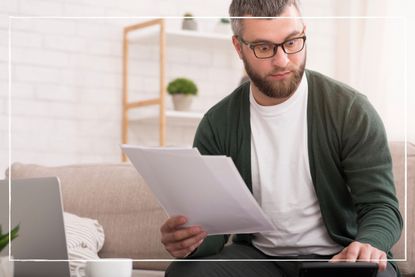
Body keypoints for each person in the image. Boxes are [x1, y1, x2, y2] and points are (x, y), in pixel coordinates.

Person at [161, 0, 403, 276]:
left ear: (304, 32)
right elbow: (214, 228)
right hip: (260, 258)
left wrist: (369, 243)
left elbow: (381, 206)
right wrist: (190, 241)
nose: (282, 60)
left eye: (291, 42)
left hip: (338, 256)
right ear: (239, 47)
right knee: (185, 273)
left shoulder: (350, 110)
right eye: (264, 48)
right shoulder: (217, 124)